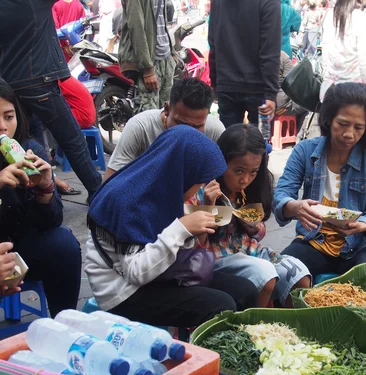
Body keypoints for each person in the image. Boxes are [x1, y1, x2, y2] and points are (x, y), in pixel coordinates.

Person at [85, 125, 258, 327]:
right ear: (183, 174)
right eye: (199, 182)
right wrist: (181, 228)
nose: (198, 190)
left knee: (246, 290)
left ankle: (247, 348)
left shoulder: (162, 188)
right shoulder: (126, 200)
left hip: (158, 273)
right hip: (122, 290)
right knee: (221, 305)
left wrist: (204, 213)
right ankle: (208, 357)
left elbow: (185, 249)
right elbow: (135, 273)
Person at [274, 82, 366, 278]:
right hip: (314, 240)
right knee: (282, 274)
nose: (349, 134)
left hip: (361, 244)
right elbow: (282, 194)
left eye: (358, 127)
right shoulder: (305, 151)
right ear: (329, 120)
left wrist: (362, 224)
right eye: (342, 124)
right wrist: (294, 207)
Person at [188, 124, 311, 307]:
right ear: (221, 162)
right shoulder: (201, 191)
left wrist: (252, 224)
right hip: (216, 257)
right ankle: (255, 330)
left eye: (253, 172)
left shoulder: (251, 188)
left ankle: (289, 326)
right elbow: (197, 246)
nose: (245, 179)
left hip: (250, 250)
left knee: (300, 274)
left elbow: (259, 232)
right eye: (239, 171)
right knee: (265, 275)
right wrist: (208, 207)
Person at [0, 0, 102, 199]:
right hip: (39, 80)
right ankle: (98, 193)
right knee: (73, 140)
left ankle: (35, 192)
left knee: (26, 142)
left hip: (8, 84)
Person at [0, 78, 81, 317]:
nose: (3, 127)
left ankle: (63, 324)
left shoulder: (28, 150)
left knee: (63, 242)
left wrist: (45, 188)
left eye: (8, 116)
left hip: (17, 251)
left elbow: (48, 224)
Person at [105, 78, 225, 179]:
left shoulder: (214, 131)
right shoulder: (140, 127)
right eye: (181, 124)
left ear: (207, 115)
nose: (187, 133)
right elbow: (109, 183)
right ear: (167, 109)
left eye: (197, 127)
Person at [208, 0, 281, 128]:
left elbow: (213, 43)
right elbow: (270, 51)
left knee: (229, 143)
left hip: (226, 85)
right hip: (260, 90)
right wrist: (270, 93)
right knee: (260, 142)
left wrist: (215, 82)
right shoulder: (269, 2)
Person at [119, 0, 175, 113]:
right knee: (149, 117)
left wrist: (172, 54)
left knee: (168, 114)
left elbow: (162, 23)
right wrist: (147, 69)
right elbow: (136, 29)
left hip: (166, 58)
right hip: (149, 62)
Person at [320, 0, 366, 100]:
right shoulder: (362, 18)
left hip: (328, 91)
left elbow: (325, 55)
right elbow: (365, 63)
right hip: (353, 95)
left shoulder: (329, 15)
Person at [277, 52, 309, 130]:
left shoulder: (254, 55)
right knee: (309, 105)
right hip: (279, 106)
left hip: (257, 104)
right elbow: (292, 84)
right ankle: (300, 137)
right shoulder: (283, 56)